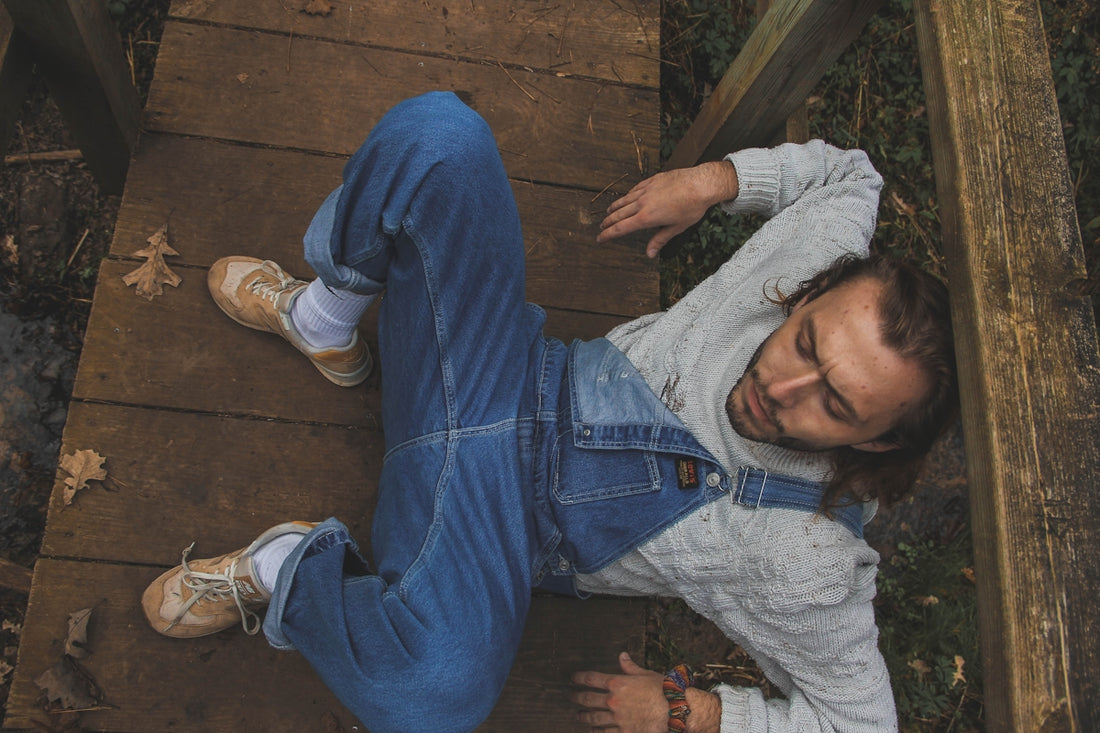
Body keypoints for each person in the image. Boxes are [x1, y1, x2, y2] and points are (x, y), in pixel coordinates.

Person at [141, 92, 957, 732]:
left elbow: (859, 722)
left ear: (877, 439)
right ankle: (327, 321)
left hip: (486, 536)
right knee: (441, 135)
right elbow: (852, 175)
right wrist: (708, 183)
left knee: (434, 698)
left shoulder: (814, 572)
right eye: (806, 343)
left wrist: (695, 713)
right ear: (811, 291)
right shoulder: (819, 257)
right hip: (498, 367)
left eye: (835, 404)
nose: (784, 389)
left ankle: (290, 568)